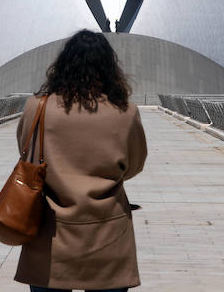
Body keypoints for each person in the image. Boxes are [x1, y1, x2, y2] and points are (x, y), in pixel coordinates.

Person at [14, 30, 148, 292]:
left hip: (50, 232)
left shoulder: (37, 108)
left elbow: (26, 153)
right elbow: (135, 165)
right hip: (108, 233)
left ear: (62, 65)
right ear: (109, 68)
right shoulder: (125, 112)